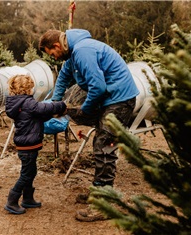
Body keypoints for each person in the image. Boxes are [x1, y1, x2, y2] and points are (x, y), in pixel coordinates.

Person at [39, 29, 139, 221]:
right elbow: (63, 79)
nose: (54, 58)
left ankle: (104, 204)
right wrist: (53, 104)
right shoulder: (73, 55)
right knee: (100, 143)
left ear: (57, 46)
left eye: (52, 54)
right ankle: (99, 192)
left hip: (120, 99)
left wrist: (85, 109)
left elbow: (98, 87)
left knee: (104, 146)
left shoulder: (83, 51)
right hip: (111, 98)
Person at [4, 74, 67, 214]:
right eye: (32, 87)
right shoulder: (28, 103)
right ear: (26, 89)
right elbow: (43, 109)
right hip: (28, 145)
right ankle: (12, 201)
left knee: (30, 172)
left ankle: (27, 199)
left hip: (26, 145)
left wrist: (51, 114)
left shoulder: (20, 104)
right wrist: (61, 105)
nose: (33, 90)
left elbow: (38, 115)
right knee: (26, 174)